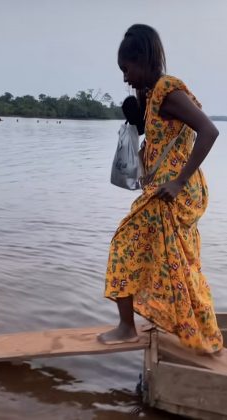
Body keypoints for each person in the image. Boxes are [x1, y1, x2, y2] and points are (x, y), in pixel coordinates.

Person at [98, 24, 223, 354]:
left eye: (127, 69)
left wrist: (179, 180)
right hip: (168, 189)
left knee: (123, 245)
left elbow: (209, 131)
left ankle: (126, 328)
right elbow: (161, 137)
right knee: (177, 262)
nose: (125, 77)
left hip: (174, 191)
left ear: (142, 59)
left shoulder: (168, 92)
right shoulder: (153, 94)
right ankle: (197, 328)